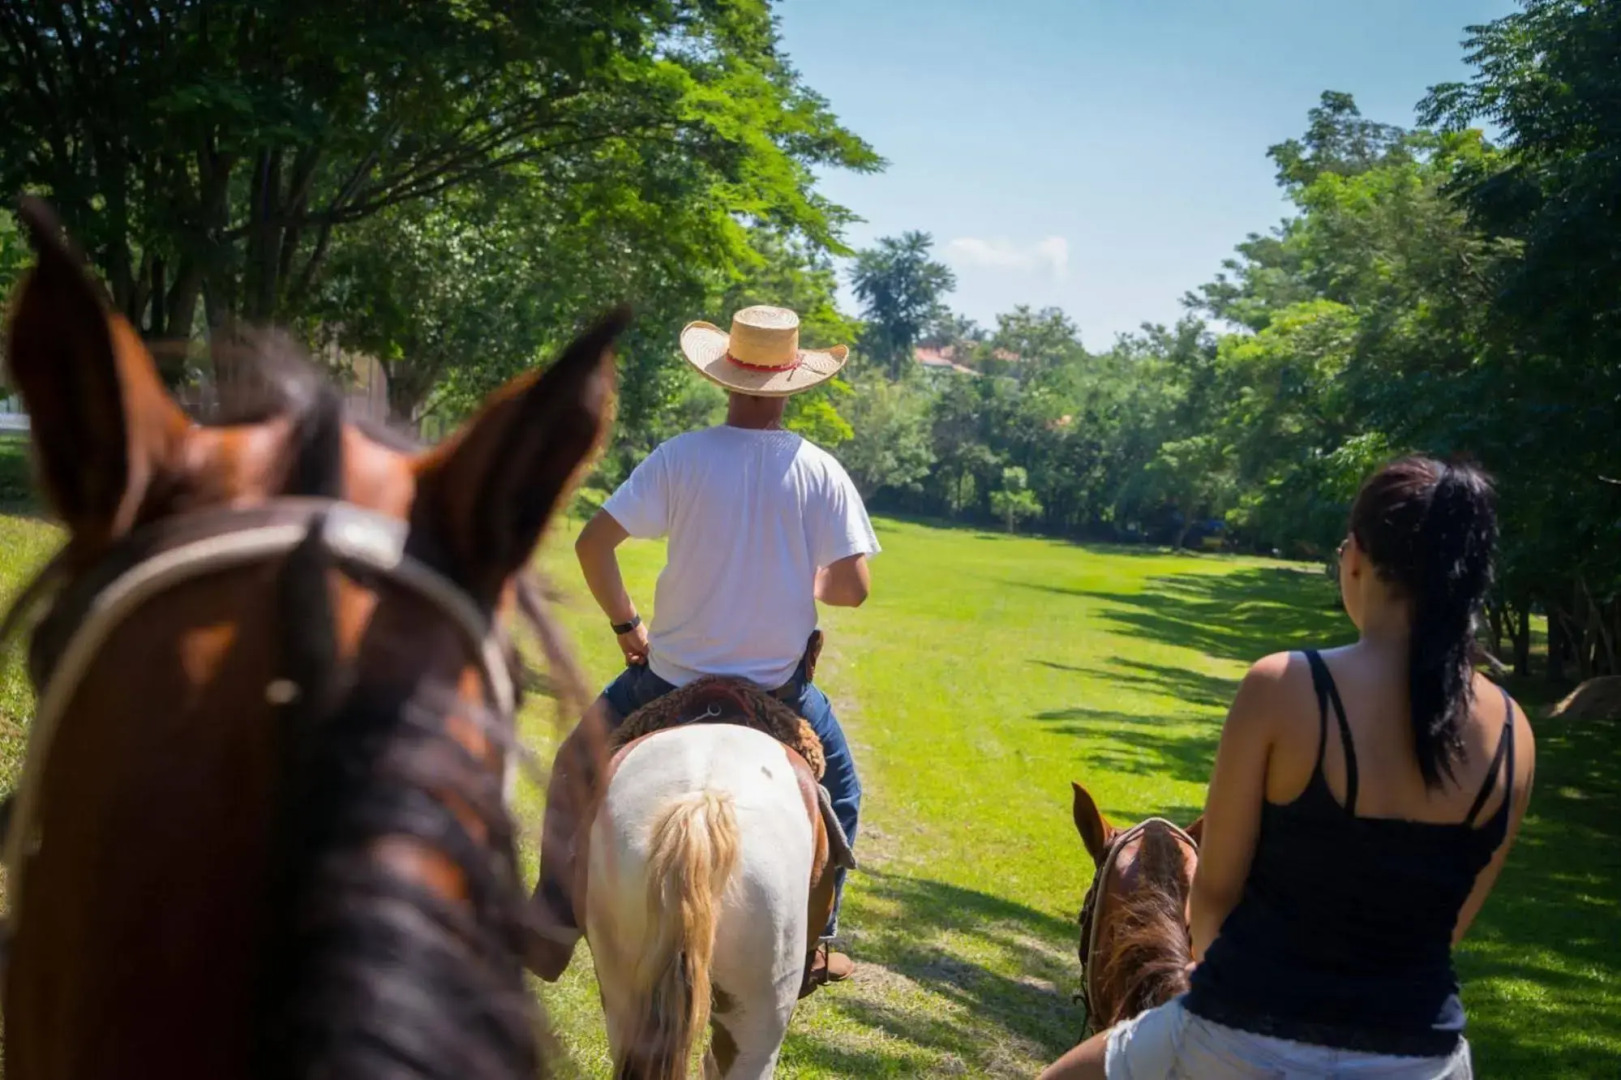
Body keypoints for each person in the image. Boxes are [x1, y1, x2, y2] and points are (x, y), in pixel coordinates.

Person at [1041, 455, 1535, 1080]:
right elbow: (1449, 930)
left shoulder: (1284, 686)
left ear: (1354, 556)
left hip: (1244, 1038)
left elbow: (1213, 894)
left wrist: (1215, 974)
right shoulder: (1517, 733)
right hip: (1426, 1058)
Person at [523, 304, 878, 992]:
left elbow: (592, 544)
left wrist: (627, 628)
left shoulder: (679, 457)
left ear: (724, 378)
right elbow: (853, 589)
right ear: (793, 382)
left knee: (573, 766)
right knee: (843, 791)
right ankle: (816, 939)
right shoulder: (820, 471)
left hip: (666, 680)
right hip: (780, 690)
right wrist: (798, 571)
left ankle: (551, 919)